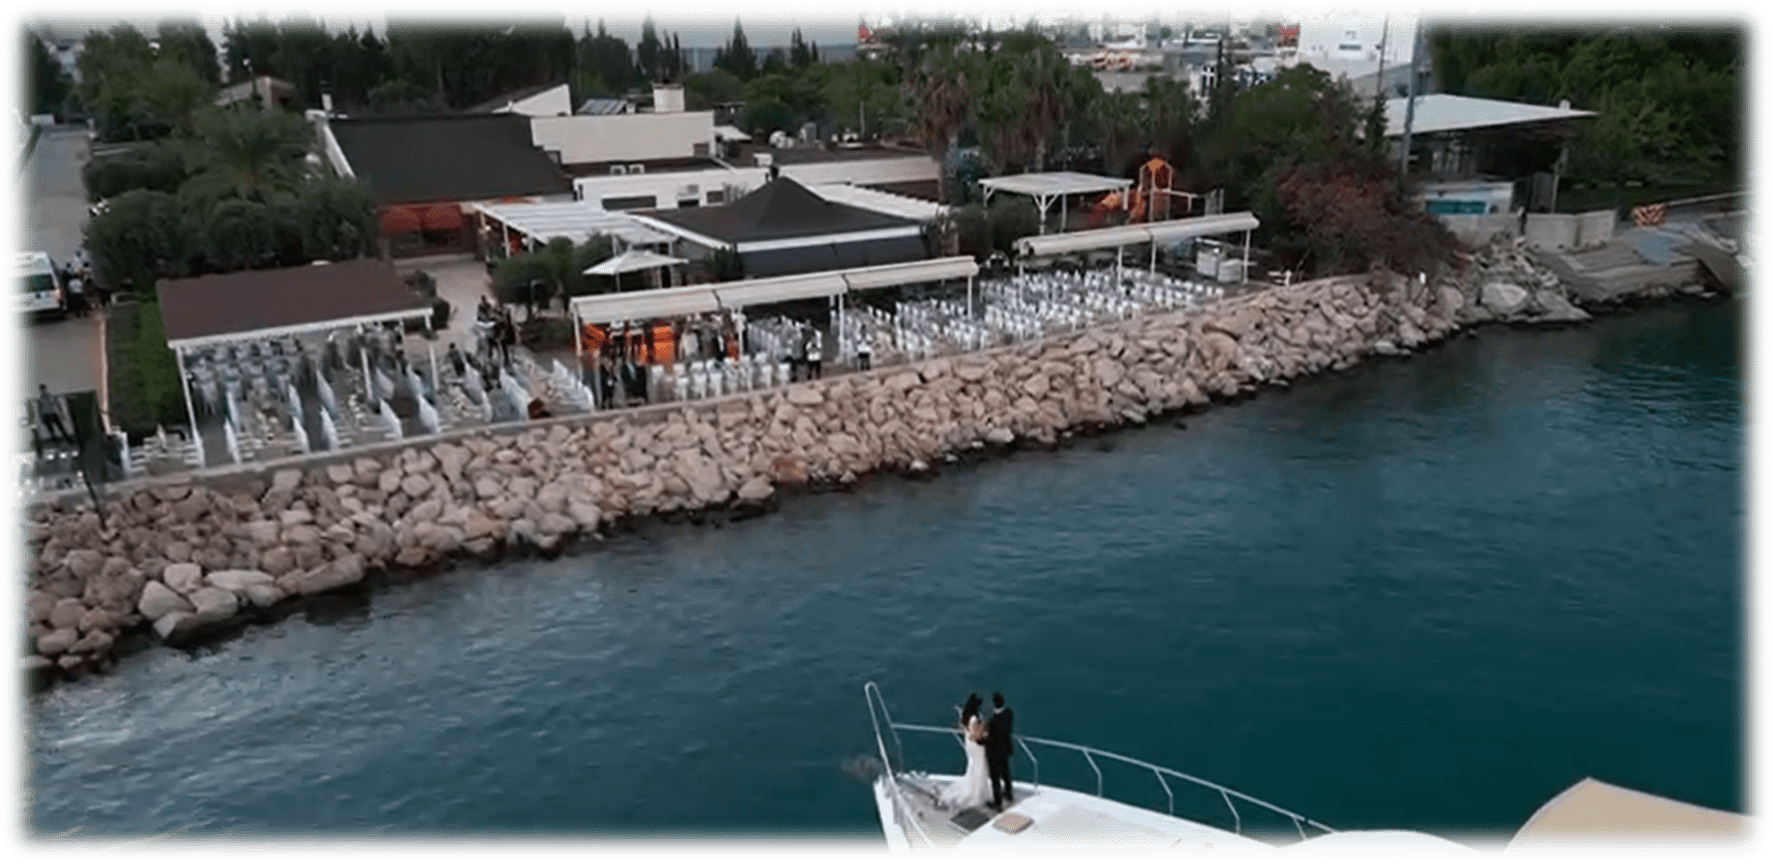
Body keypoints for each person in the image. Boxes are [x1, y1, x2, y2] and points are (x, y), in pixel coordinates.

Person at [939, 694, 994, 811]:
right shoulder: (974, 718)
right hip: (976, 746)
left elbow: (965, 730)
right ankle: (976, 794)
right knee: (979, 767)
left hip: (969, 745)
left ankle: (974, 790)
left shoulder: (966, 717)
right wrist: (985, 732)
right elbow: (975, 736)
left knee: (973, 766)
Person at [986, 692, 1016, 810]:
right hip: (1006, 749)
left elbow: (990, 738)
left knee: (995, 778)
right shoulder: (1009, 713)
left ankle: (997, 802)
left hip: (994, 753)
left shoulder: (993, 721)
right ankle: (1009, 794)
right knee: (1006, 773)